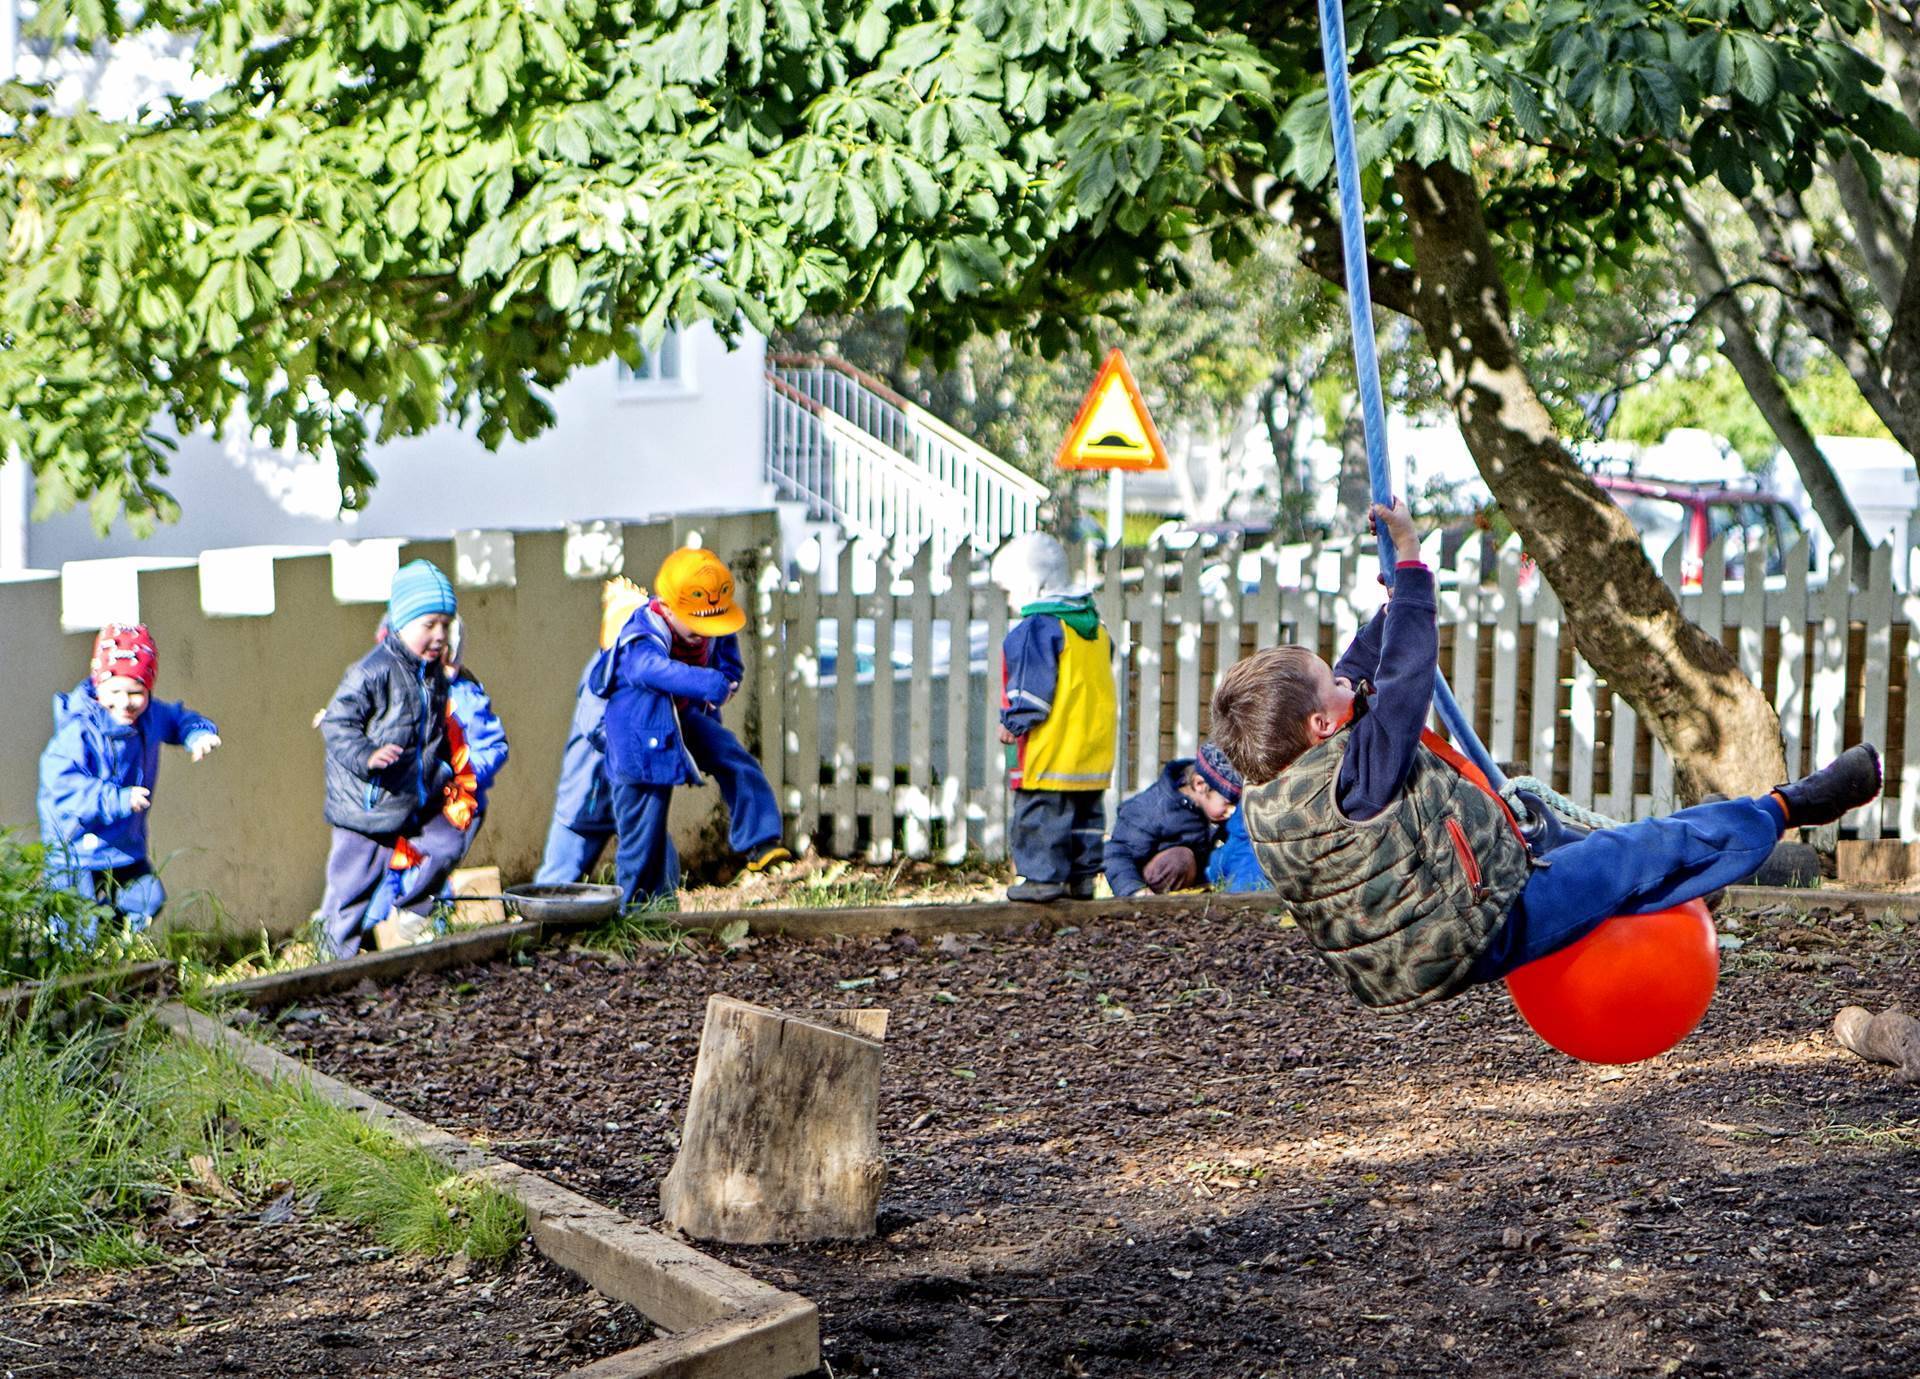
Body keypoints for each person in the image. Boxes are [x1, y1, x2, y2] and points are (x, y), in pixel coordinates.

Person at [1210, 497, 1883, 1012]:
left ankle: (1706, 860)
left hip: (1402, 955)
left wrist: (1391, 599)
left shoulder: (1278, 788)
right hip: (1477, 928)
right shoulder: (1357, 772)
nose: (1345, 677)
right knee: (1636, 853)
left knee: (1542, 816)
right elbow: (1404, 677)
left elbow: (1361, 675)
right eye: (1331, 681)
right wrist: (1412, 570)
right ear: (1324, 723)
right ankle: (1787, 806)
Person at [594, 550, 790, 906]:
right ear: (667, 609)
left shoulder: (710, 624)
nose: (706, 634)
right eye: (698, 625)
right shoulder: (644, 631)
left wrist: (726, 682)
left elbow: (727, 660)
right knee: (644, 832)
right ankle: (634, 910)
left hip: (682, 722)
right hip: (638, 743)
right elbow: (646, 670)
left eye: (713, 625)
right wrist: (705, 683)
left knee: (734, 758)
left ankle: (760, 841)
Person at [315, 560, 465, 959]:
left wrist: (445, 769)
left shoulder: (432, 675)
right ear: (400, 623)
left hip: (415, 797)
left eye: (445, 625)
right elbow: (337, 724)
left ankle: (415, 909)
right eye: (428, 625)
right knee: (351, 892)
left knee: (449, 842)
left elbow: (433, 730)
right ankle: (330, 963)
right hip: (368, 806)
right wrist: (368, 755)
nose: (439, 635)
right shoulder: (372, 671)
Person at [36, 624, 220, 936]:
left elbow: (179, 719)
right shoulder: (79, 731)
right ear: (98, 686)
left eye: (136, 692)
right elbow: (62, 787)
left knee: (146, 897)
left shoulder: (149, 716)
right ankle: (74, 964)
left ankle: (113, 947)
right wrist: (117, 799)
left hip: (124, 846)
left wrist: (198, 733)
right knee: (77, 927)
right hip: (77, 848)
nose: (125, 702)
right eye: (115, 692)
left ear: (149, 689)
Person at [362, 616, 510, 934]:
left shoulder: (463, 695)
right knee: (385, 863)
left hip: (450, 804)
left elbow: (493, 747)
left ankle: (430, 934)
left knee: (427, 869)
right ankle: (370, 931)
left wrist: (457, 774)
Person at [993, 532, 1116, 903]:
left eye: (1011, 590)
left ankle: (1042, 878)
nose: (1012, 601)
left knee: (1041, 815)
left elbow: (1032, 686)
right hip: (1091, 750)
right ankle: (1081, 879)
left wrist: (1015, 720)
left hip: (1052, 748)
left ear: (1034, 584)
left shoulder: (1038, 628)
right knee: (1085, 819)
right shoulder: (1094, 628)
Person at [534, 578, 648, 885]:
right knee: (559, 878)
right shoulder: (601, 674)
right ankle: (538, 926)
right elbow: (594, 724)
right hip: (587, 796)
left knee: (655, 855)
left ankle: (654, 911)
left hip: (625, 793)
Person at [1104, 743, 1241, 897]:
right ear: (1200, 785)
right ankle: (1159, 907)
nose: (1233, 810)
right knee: (1179, 860)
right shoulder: (1151, 809)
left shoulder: (1213, 810)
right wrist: (1135, 890)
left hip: (1198, 881)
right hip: (1155, 886)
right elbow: (1118, 854)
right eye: (1228, 803)